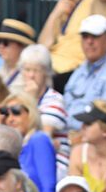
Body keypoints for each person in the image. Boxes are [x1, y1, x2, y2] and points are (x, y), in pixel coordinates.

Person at [61, 15, 106, 133]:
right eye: (85, 36)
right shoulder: (81, 69)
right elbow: (64, 106)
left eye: (95, 36)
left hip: (93, 137)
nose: (89, 41)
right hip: (67, 133)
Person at [16, 44, 70, 176]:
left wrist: (31, 100)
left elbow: (42, 140)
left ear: (46, 73)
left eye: (36, 70)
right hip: (26, 160)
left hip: (55, 164)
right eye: (27, 70)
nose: (31, 75)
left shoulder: (55, 100)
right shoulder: (17, 99)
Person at [0, 93, 55, 192]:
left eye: (16, 112)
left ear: (30, 113)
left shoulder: (38, 139)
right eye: (6, 114)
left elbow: (48, 187)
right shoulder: (10, 148)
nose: (10, 119)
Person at [0, 19, 37, 89]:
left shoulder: (32, 74)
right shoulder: (0, 71)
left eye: (5, 42)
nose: (0, 46)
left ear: (22, 46)